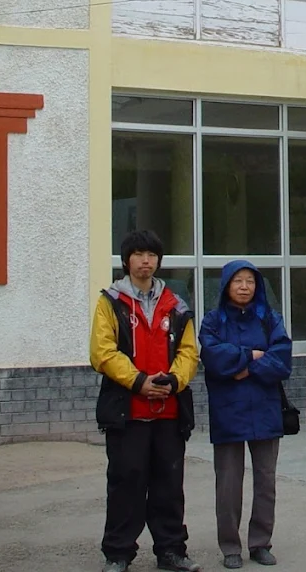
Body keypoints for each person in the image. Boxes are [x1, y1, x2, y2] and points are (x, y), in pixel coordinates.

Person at [90, 230, 202, 572]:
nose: (145, 261)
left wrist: (173, 381)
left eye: (152, 255)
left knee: (169, 486)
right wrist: (139, 382)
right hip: (128, 414)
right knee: (126, 484)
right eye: (138, 254)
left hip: (168, 413)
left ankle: (171, 551)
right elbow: (102, 352)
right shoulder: (109, 302)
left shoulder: (177, 304)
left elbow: (189, 352)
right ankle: (118, 554)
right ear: (127, 261)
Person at [199, 261, 293, 569]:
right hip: (228, 411)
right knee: (228, 483)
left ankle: (260, 543)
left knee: (266, 482)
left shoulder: (270, 319)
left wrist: (243, 366)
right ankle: (230, 547)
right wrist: (251, 355)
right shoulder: (213, 320)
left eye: (250, 281)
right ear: (226, 285)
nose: (244, 286)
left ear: (258, 285)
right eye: (237, 280)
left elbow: (282, 361)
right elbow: (213, 359)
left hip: (265, 410)